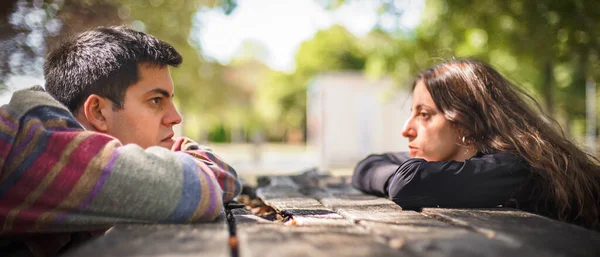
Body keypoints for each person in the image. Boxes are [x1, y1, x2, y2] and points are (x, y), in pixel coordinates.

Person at [0, 27, 242, 257]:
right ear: (97, 112)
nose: (175, 118)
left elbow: (225, 179)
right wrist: (186, 166)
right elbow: (197, 190)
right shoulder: (29, 143)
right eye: (156, 100)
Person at [352, 59, 600, 231]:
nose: (406, 129)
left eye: (424, 114)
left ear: (466, 125)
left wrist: (401, 175)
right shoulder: (466, 164)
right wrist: (400, 173)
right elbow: (368, 165)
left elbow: (408, 182)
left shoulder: (518, 168)